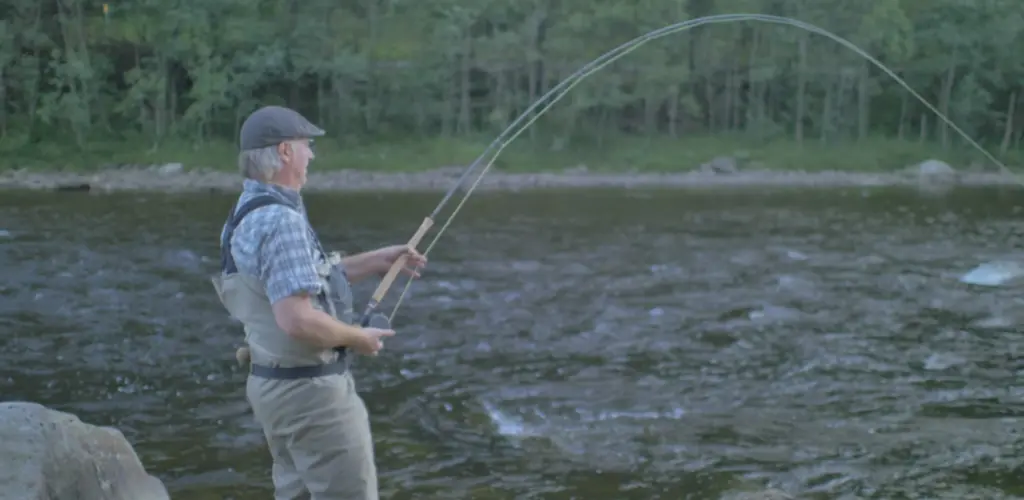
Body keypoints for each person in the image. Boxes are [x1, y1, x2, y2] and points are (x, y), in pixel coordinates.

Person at [210, 105, 426, 500]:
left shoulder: (246, 212)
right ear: (285, 152)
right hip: (312, 398)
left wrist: (376, 261)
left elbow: (294, 279)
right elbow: (296, 320)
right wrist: (357, 338)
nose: (312, 155)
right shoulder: (282, 221)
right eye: (307, 146)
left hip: (273, 388)